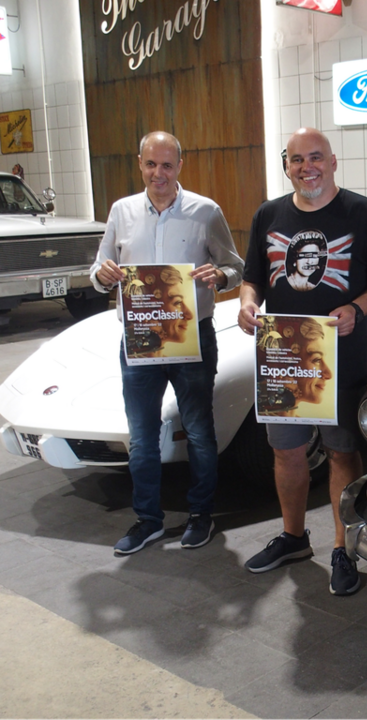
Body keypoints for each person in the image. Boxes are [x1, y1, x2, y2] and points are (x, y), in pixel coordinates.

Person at [239, 127, 367, 595]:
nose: (306, 167)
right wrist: (247, 304)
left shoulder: (362, 213)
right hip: (285, 355)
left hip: (339, 357)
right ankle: (293, 537)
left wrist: (357, 308)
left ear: (332, 161)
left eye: (315, 158)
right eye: (295, 160)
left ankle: (342, 548)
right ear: (285, 165)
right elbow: (253, 279)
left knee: (341, 451)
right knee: (286, 452)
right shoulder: (268, 215)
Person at [90, 131, 243, 555]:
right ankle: (148, 521)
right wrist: (101, 275)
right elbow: (100, 265)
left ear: (180, 165)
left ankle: (200, 515)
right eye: (151, 165)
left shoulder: (205, 211)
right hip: (139, 338)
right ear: (139, 163)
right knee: (140, 436)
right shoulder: (121, 211)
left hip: (192, 336)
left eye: (167, 165)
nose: (159, 173)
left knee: (198, 432)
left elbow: (235, 265)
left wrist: (222, 277)